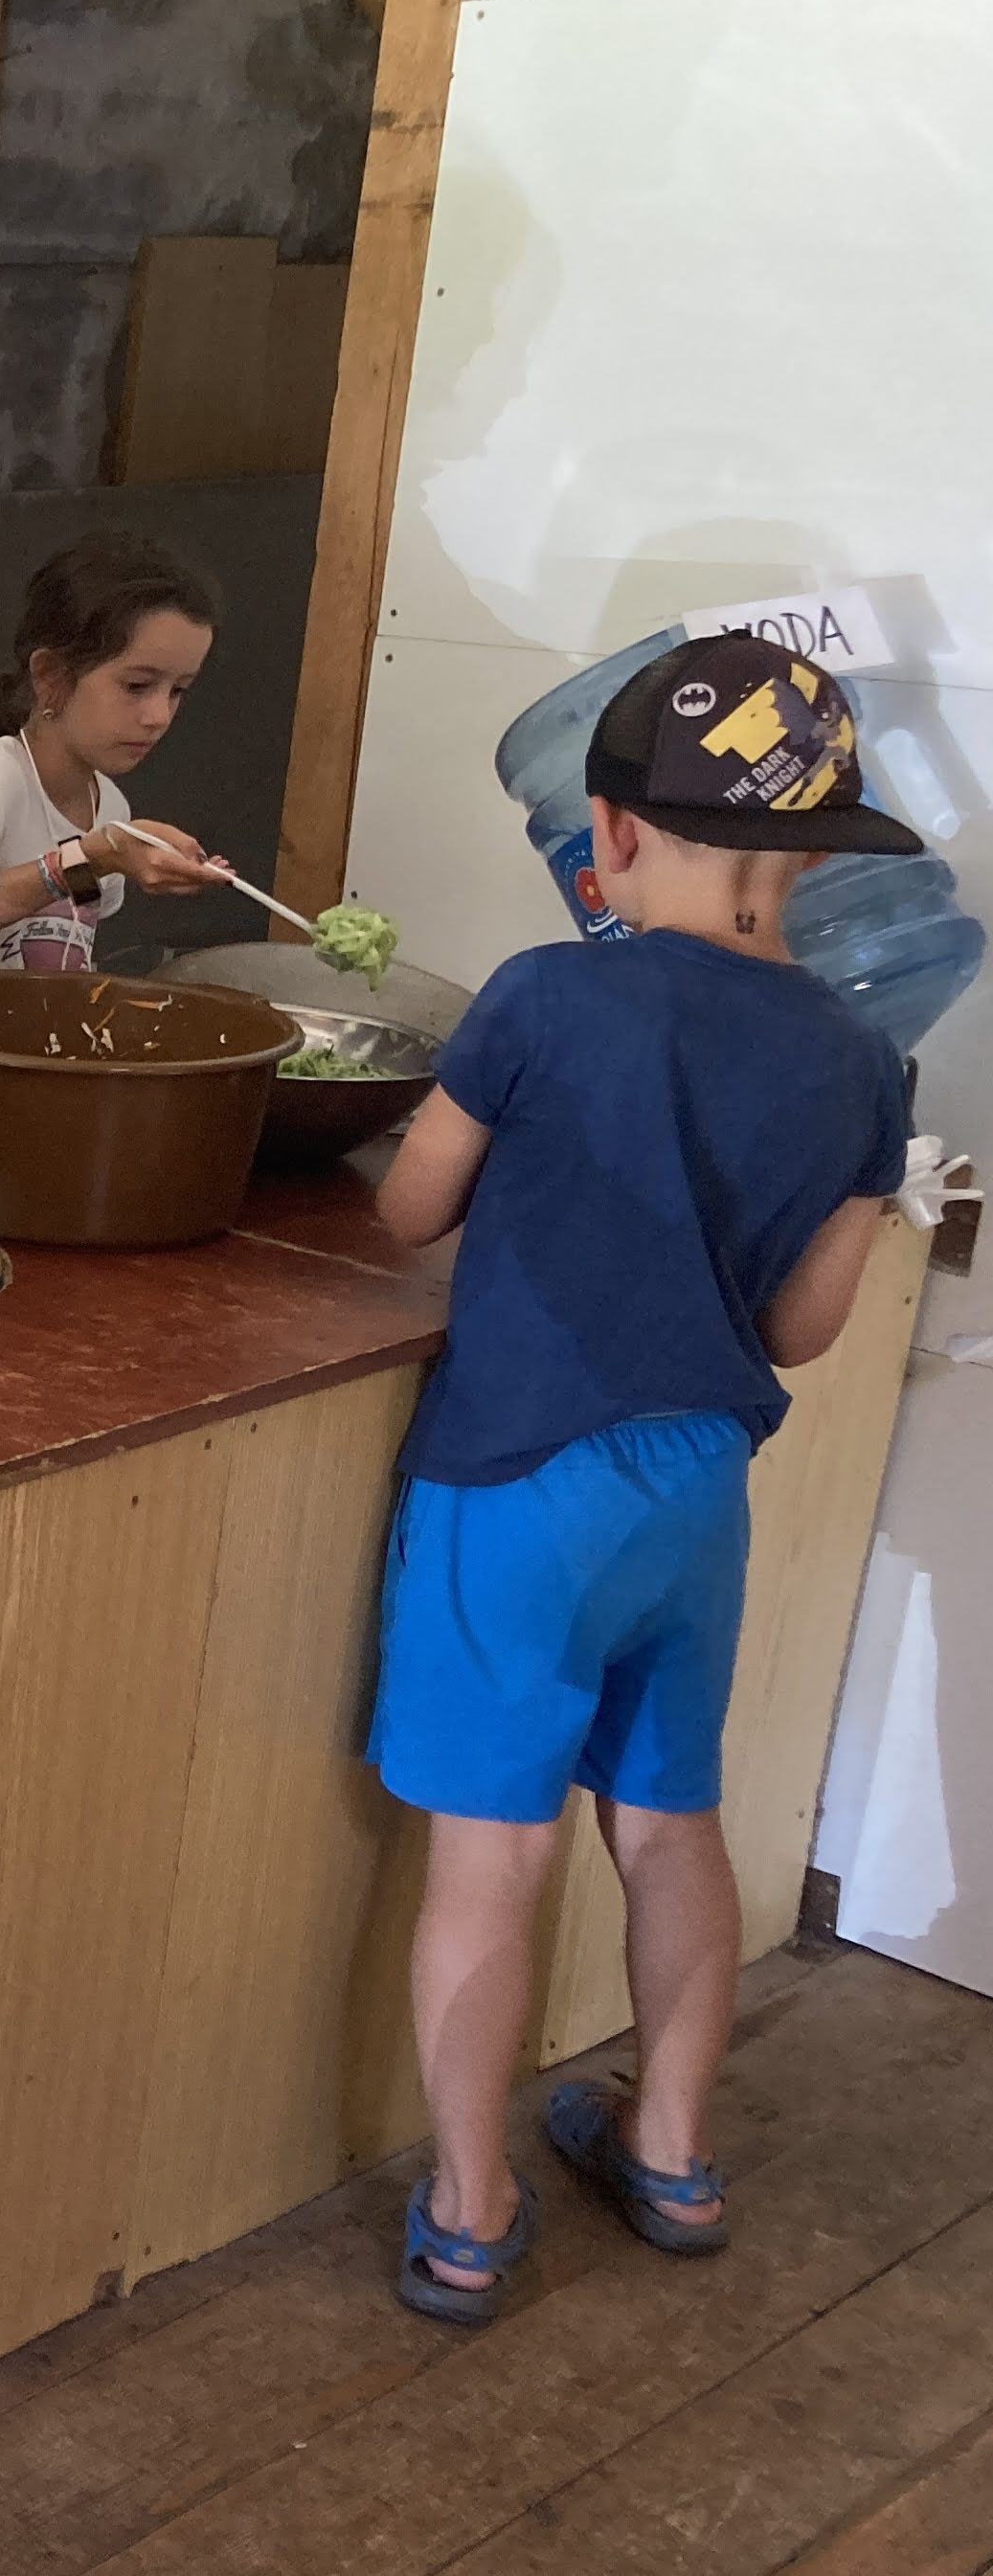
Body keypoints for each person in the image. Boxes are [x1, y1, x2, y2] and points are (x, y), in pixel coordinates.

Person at [368, 636, 915, 2325]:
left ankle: (469, 2208)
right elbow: (802, 1328)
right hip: (696, 1490)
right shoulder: (865, 1065)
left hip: (518, 1478)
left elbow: (408, 1208)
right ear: (812, 861)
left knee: (491, 1857)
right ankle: (671, 2148)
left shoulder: (545, 995)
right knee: (669, 1825)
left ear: (603, 834)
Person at [0, 532, 230, 972]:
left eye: (178, 690)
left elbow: (65, 942)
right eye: (136, 685)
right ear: (50, 675)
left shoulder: (110, 807)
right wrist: (92, 857)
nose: (158, 716)